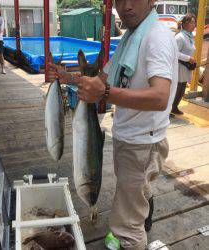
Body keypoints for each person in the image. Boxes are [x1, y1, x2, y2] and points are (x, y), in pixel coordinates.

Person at [49, 0, 178, 249]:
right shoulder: (131, 38)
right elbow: (100, 79)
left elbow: (160, 97)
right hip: (132, 138)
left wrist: (106, 92)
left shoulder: (156, 37)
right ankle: (143, 217)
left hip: (142, 142)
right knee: (136, 194)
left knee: (125, 228)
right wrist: (69, 79)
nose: (126, 6)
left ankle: (135, 231)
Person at [171, 13, 196, 115]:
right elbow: (174, 52)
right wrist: (188, 58)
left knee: (182, 88)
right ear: (185, 24)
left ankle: (174, 107)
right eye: (193, 22)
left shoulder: (189, 37)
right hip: (178, 67)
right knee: (176, 89)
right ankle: (168, 109)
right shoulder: (180, 37)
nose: (194, 24)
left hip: (186, 67)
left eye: (195, 22)